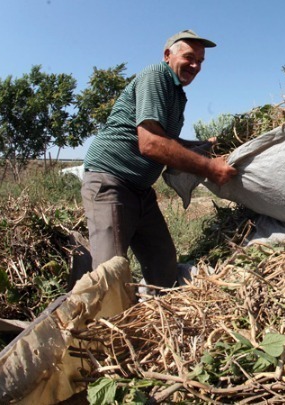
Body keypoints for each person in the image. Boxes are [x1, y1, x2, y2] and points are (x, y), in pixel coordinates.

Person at [81, 30, 238, 289]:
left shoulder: (177, 94)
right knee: (109, 278)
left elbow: (166, 139)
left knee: (163, 268)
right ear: (168, 55)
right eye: (189, 57)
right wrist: (209, 168)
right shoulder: (157, 75)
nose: (195, 66)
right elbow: (151, 143)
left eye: (200, 61)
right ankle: (93, 323)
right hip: (111, 183)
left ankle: (155, 313)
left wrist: (203, 146)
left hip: (140, 190)